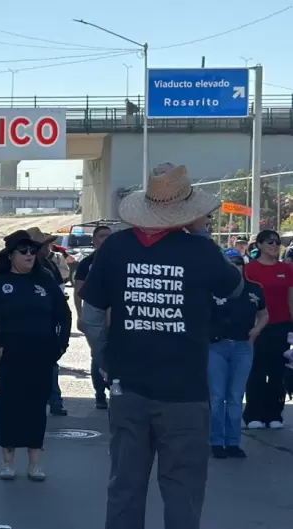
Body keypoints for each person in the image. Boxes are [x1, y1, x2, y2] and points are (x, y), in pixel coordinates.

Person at [81, 163, 243, 529]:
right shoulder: (200, 252)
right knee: (183, 490)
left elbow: (91, 316)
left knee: (125, 486)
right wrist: (201, 234)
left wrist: (105, 359)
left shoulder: (115, 247)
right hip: (185, 393)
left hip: (128, 387)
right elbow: (233, 286)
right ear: (188, 211)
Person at [0, 230, 71, 481]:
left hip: (41, 354)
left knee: (36, 407)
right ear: (11, 255)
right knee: (9, 407)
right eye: (24, 251)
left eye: (33, 251)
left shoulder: (45, 280)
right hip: (9, 355)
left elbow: (63, 314)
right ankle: (8, 462)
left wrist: (60, 346)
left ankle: (34, 463)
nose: (30, 255)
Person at [210, 249, 267, 458]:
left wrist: (257, 330)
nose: (235, 265)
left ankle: (233, 442)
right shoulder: (212, 290)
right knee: (217, 397)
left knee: (235, 396)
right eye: (230, 262)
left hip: (243, 346)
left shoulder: (254, 289)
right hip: (216, 347)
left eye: (239, 261)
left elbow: (264, 314)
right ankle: (216, 441)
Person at [242, 228, 293, 429]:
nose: (274, 245)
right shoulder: (250, 270)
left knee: (277, 371)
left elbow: (291, 299)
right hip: (258, 326)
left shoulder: (287, 269)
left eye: (277, 242)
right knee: (256, 370)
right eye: (270, 242)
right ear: (260, 244)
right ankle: (253, 413)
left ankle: (274, 414)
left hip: (282, 325)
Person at [27, 227, 70, 416]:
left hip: (47, 324)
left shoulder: (50, 267)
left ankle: (54, 400)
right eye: (45, 245)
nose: (47, 248)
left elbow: (60, 294)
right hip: (27, 326)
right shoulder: (24, 268)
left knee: (50, 364)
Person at [73, 224, 113, 409]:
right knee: (98, 354)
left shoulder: (119, 260)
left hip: (114, 312)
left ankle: (114, 388)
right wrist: (80, 315)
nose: (106, 239)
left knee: (115, 353)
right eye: (102, 236)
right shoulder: (86, 263)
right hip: (93, 311)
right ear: (94, 240)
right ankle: (99, 392)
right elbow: (78, 290)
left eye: (109, 236)